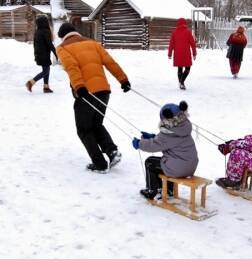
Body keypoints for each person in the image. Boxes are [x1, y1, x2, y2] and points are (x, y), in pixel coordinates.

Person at [56, 23, 132, 173]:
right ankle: (112, 151)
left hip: (86, 93)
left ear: (62, 36)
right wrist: (123, 80)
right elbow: (110, 62)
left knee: (84, 129)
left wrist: (79, 87)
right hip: (104, 91)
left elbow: (72, 67)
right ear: (75, 32)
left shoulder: (62, 48)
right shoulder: (92, 43)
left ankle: (100, 164)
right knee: (96, 124)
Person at [132, 101, 199, 200]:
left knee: (150, 162)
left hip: (179, 168)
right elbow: (165, 142)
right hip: (191, 166)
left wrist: (139, 143)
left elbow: (154, 146)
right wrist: (152, 137)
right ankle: (168, 190)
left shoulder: (169, 132)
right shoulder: (183, 127)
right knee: (169, 162)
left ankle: (152, 191)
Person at [25, 15, 57, 93]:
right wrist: (56, 53)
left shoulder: (38, 31)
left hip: (39, 54)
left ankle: (46, 87)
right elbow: (49, 43)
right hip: (44, 55)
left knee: (47, 70)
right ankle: (31, 82)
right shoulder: (45, 31)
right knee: (45, 71)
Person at [168, 18, 197, 90]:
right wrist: (194, 53)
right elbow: (193, 44)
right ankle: (182, 82)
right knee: (188, 68)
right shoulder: (188, 32)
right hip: (186, 54)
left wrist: (169, 54)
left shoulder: (174, 33)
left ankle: (181, 82)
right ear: (185, 24)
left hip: (177, 54)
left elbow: (171, 44)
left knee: (180, 68)